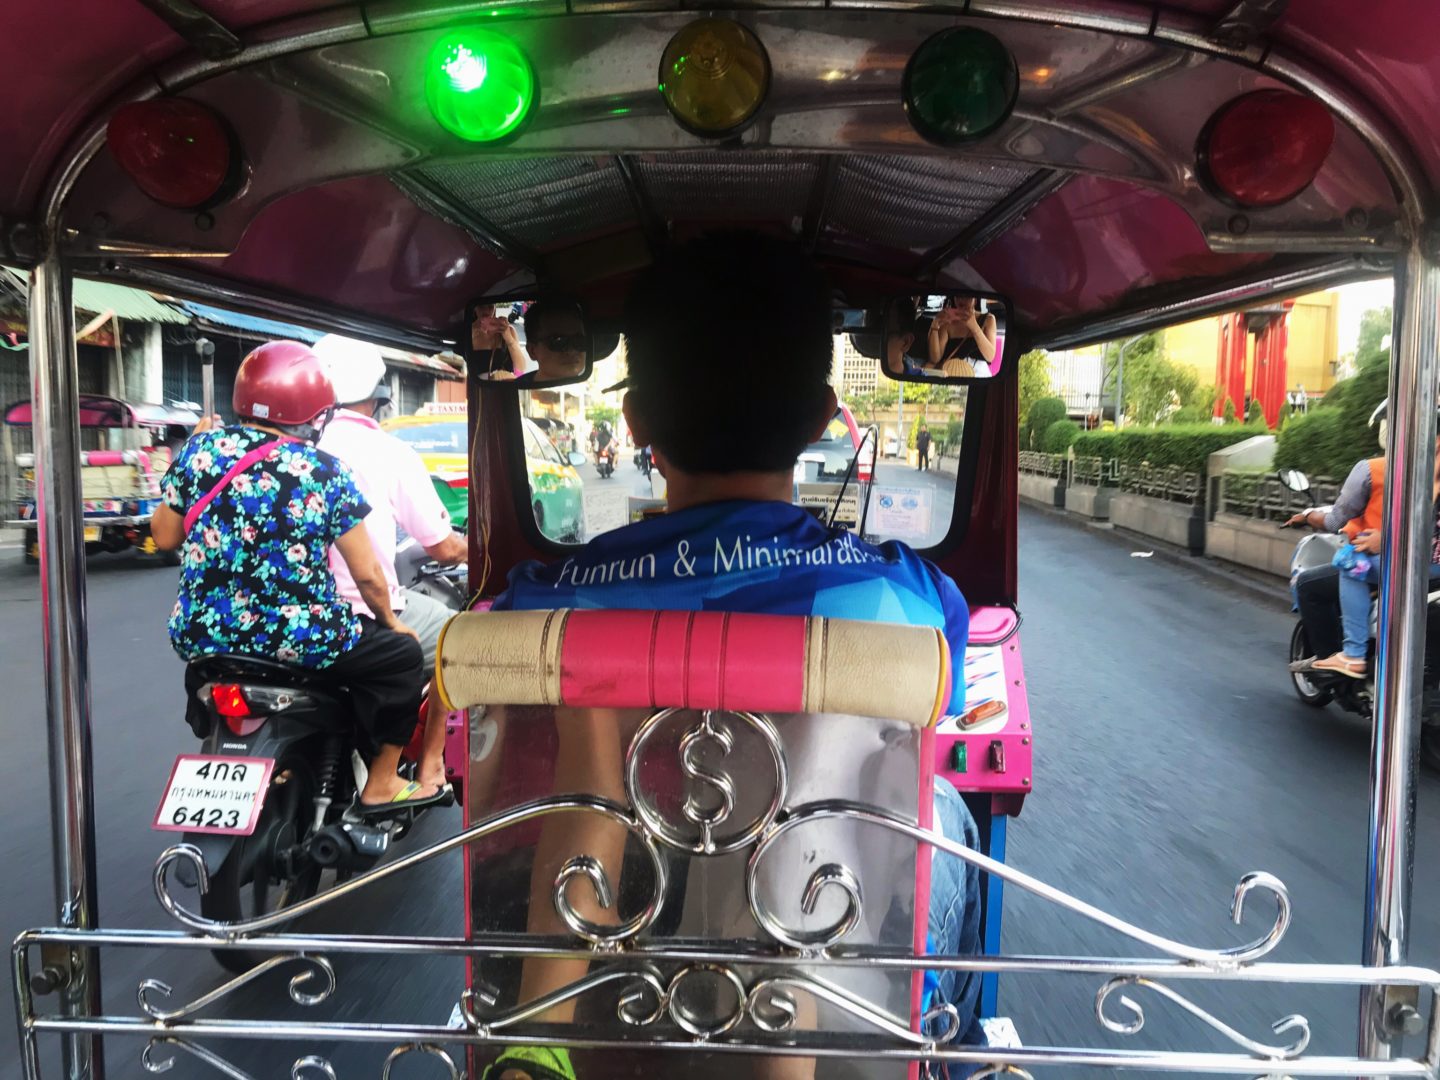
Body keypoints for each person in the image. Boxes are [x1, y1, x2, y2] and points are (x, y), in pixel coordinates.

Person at [492, 231, 982, 1042]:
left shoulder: (545, 608)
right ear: (824, 419)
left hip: (610, 943)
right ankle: (931, 1049)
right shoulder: (909, 600)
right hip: (832, 956)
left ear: (638, 419)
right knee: (943, 806)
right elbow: (930, 736)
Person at [150, 341, 444, 812]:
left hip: (204, 634)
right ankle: (383, 781)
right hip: (299, 638)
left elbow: (164, 537)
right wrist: (390, 621)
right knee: (402, 656)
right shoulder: (323, 471)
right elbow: (367, 574)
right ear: (313, 410)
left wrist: (192, 458)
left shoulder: (201, 451)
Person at [313, 334, 467, 791]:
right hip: (355, 611)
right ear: (379, 400)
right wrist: (477, 550)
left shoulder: (294, 450)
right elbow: (439, 547)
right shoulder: (387, 451)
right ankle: (430, 765)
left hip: (291, 610)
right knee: (453, 638)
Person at [1313, 452, 1440, 679]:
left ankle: (1353, 654)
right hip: (1425, 566)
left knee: (1352, 567)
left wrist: (1385, 540)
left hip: (1423, 568)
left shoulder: (1380, 470)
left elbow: (1335, 520)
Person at [480, 299, 589, 386]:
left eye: (579, 340)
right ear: (532, 350)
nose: (572, 350)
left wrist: (508, 338)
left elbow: (519, 370)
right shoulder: (512, 386)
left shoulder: (508, 331)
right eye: (558, 341)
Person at [927, 297, 996, 377]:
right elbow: (935, 359)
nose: (961, 299)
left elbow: (990, 357)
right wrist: (935, 324)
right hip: (952, 373)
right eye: (958, 296)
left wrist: (974, 327)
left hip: (979, 375)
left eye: (967, 296)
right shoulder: (948, 322)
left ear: (975, 301)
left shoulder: (988, 319)